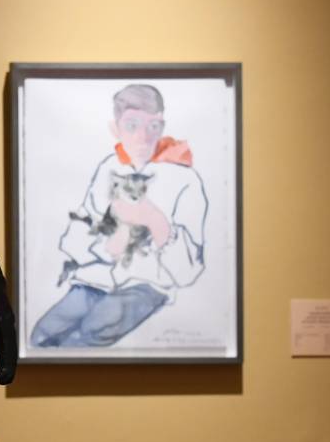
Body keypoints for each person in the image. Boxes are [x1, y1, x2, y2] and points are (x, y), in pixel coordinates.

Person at [30, 83, 208, 348]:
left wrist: (155, 220)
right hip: (97, 277)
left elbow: (188, 272)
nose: (143, 137)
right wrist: (106, 246)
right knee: (42, 335)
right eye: (132, 125)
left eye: (153, 126)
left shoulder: (185, 179)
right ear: (116, 128)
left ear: (162, 126)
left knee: (92, 331)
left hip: (147, 284)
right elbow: (77, 232)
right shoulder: (108, 168)